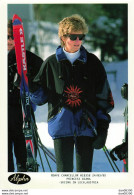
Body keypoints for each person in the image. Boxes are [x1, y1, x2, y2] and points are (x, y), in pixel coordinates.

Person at [28, 14, 114, 172]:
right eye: (73, 37)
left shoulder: (93, 63)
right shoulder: (51, 64)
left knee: (84, 175)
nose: (78, 41)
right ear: (62, 37)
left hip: (87, 126)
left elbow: (104, 99)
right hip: (61, 127)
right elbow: (40, 99)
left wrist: (103, 129)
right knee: (63, 174)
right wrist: (32, 87)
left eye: (81, 37)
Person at [8, 19, 43, 172]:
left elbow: (45, 77)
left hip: (22, 115)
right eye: (6, 37)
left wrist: (30, 82)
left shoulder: (28, 58)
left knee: (24, 163)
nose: (9, 41)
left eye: (12, 37)